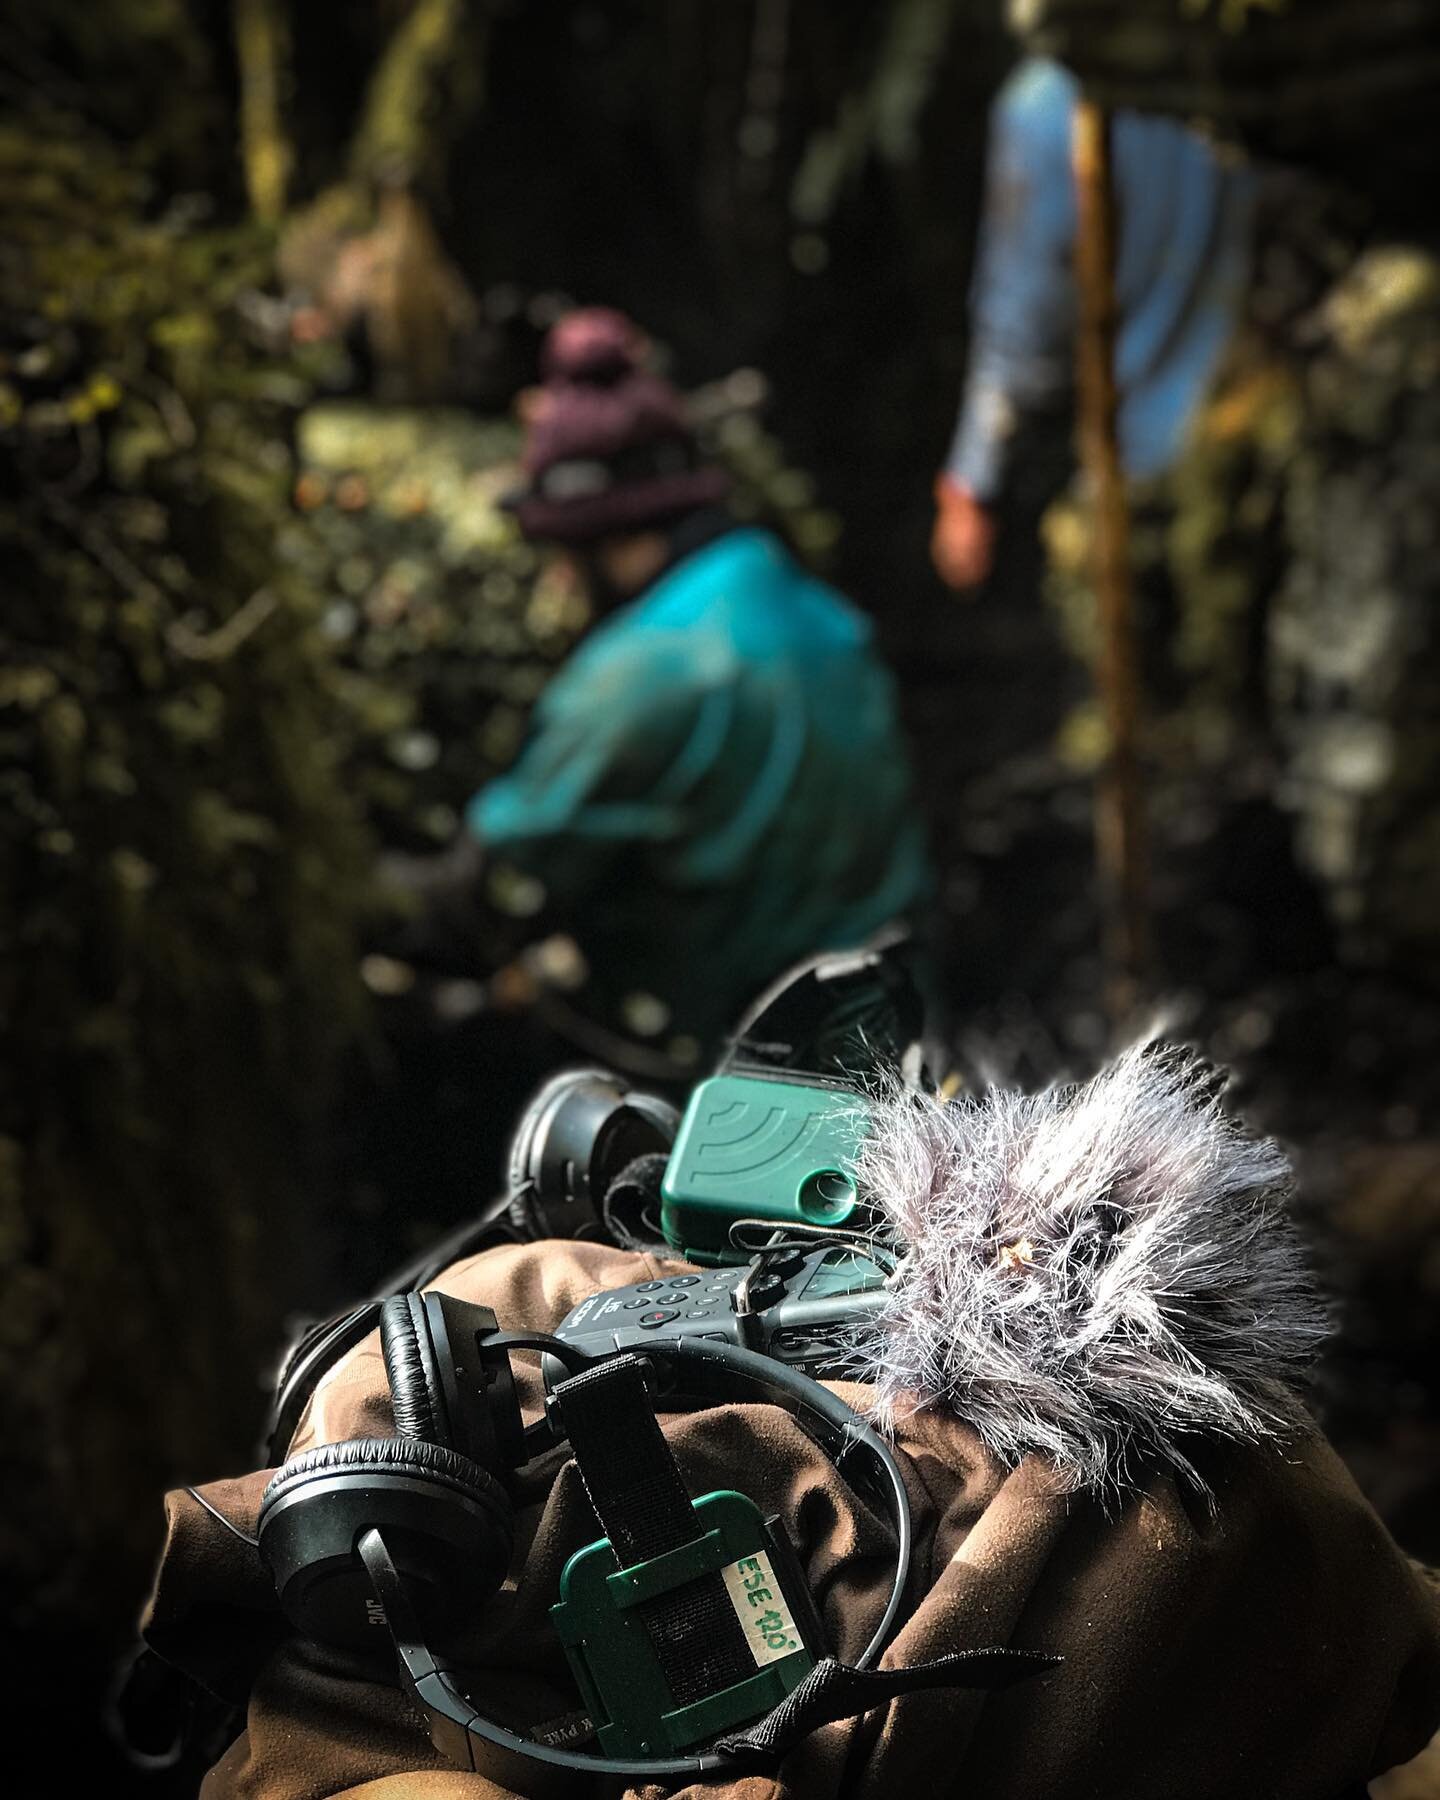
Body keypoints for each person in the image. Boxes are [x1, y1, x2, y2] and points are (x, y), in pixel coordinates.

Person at [399, 307, 932, 1071]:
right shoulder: (814, 609)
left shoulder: (639, 675)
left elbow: (490, 882)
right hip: (898, 1037)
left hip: (750, 1081)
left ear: (598, 539)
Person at [931, 57, 1259, 592]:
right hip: (1252, 422)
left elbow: (1025, 320)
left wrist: (972, 478)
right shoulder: (1222, 65)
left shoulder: (1048, 105)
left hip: (1141, 468)